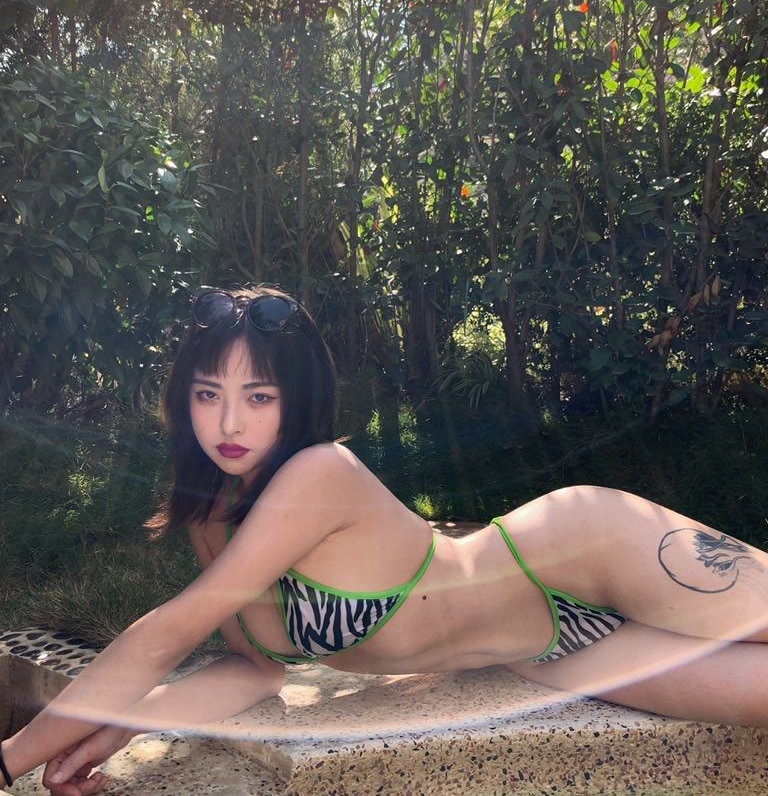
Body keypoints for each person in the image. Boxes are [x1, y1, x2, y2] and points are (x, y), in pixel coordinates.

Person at [2, 286, 768, 796]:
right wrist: (121, 724)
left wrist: (11, 760)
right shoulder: (214, 515)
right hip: (548, 652)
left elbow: (166, 631)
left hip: (585, 548)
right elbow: (254, 670)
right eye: (209, 394)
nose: (228, 423)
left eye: (258, 396)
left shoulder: (317, 474)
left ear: (297, 400)